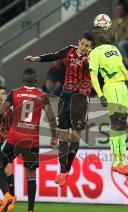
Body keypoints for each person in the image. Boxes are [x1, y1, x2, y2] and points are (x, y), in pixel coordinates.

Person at [24, 32, 93, 187]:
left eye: (87, 46)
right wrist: (37, 58)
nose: (84, 47)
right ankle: (62, 172)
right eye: (82, 44)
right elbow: (54, 55)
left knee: (75, 136)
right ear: (78, 42)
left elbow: (98, 74)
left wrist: (92, 62)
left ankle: (66, 170)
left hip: (81, 99)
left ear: (90, 48)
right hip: (66, 96)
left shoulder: (92, 59)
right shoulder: (69, 50)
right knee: (63, 135)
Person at [88, 30, 128, 178]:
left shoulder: (115, 49)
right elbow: (94, 76)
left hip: (122, 88)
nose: (107, 35)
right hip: (110, 88)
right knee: (116, 125)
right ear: (99, 39)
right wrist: (100, 94)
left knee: (122, 127)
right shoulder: (95, 53)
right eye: (103, 34)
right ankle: (116, 163)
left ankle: (123, 163)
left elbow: (123, 71)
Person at [0, 68, 58, 212]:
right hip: (31, 141)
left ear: (23, 80)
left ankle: (6, 194)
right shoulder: (42, 96)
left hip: (14, 138)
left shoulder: (14, 93)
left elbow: (1, 111)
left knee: (1, 164)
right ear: (35, 80)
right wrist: (54, 137)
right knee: (31, 175)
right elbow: (51, 118)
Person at [0, 87, 16, 210]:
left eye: (3, 94)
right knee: (7, 168)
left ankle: (10, 197)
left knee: (7, 167)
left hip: (7, 142)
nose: (1, 96)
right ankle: (10, 197)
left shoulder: (10, 110)